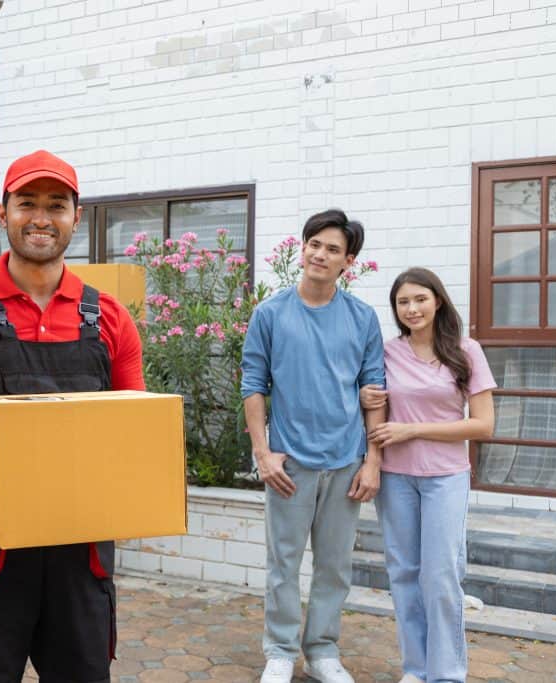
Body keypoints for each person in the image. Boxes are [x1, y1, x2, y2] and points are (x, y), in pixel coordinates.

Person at [0, 149, 144, 683]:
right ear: (2, 211)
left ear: (76, 217)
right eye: (27, 203)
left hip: (81, 555)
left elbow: (133, 432)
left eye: (56, 205)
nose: (41, 217)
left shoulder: (109, 318)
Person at [241, 209, 386, 683]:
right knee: (283, 564)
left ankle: (322, 650)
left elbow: (374, 390)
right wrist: (263, 453)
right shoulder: (270, 313)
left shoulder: (362, 319)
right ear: (302, 248)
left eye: (332, 249)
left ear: (349, 261)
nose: (320, 254)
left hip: (346, 461)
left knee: (334, 566)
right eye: (314, 244)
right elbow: (253, 386)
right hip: (290, 463)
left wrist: (372, 462)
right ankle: (280, 651)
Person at [360, 267, 496, 683]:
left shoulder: (465, 350)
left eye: (420, 299)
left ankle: (448, 673)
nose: (412, 308)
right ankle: (416, 670)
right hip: (397, 478)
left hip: (446, 477)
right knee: (403, 573)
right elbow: (374, 405)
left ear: (437, 300)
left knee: (440, 576)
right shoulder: (386, 351)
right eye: (404, 302)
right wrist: (364, 396)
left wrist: (413, 429)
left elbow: (483, 426)